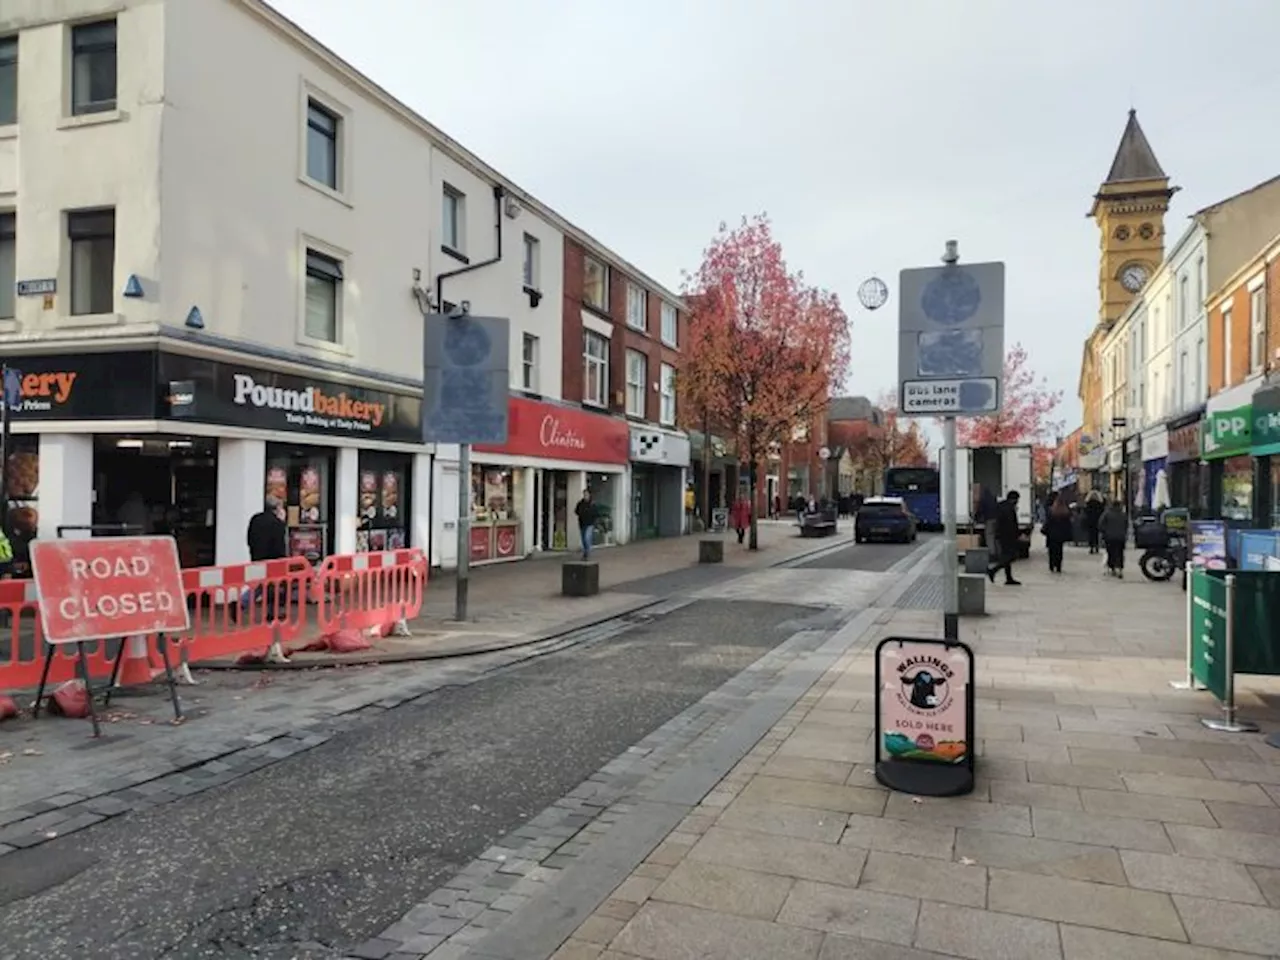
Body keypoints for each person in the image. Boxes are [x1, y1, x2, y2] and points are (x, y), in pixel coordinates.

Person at [245, 496, 288, 620]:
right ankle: (243, 603)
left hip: (257, 556)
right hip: (273, 559)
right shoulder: (277, 523)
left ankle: (270, 612)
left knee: (263, 585)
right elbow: (279, 544)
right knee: (272, 587)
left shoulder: (256, 519)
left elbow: (249, 537)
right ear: (276, 509)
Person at [986, 490, 1022, 586]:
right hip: (1008, 536)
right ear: (1014, 499)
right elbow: (1011, 524)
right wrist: (1017, 535)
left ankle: (1008, 578)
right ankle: (993, 570)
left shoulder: (1001, 506)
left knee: (1006, 556)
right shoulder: (1009, 508)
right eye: (1017, 499)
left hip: (1001, 535)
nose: (1018, 501)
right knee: (1011, 556)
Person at [1043, 495, 1073, 574]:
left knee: (1051, 551)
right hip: (1061, 535)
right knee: (1059, 551)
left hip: (1051, 535)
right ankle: (1058, 566)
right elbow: (1069, 524)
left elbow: (1048, 523)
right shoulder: (1065, 512)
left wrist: (1045, 530)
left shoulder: (1051, 511)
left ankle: (1052, 565)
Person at [1100, 499, 1129, 577]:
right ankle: (1120, 568)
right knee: (1120, 553)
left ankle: (1112, 567)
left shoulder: (1107, 514)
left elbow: (1101, 524)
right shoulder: (1123, 514)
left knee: (1111, 552)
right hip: (1120, 537)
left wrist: (1104, 532)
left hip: (1109, 537)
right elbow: (1126, 525)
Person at [575, 489, 598, 560]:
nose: (585, 496)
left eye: (587, 494)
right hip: (582, 523)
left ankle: (587, 552)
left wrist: (593, 520)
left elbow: (596, 513)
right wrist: (580, 513)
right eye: (584, 494)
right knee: (583, 539)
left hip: (590, 524)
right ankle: (585, 552)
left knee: (587, 537)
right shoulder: (580, 503)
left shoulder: (592, 504)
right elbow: (576, 511)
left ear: (589, 495)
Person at [1083, 490, 1104, 554]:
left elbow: (1085, 512)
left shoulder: (1088, 504)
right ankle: (1097, 546)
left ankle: (1091, 547)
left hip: (1090, 521)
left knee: (1091, 534)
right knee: (1096, 534)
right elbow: (1102, 512)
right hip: (1097, 521)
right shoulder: (1100, 504)